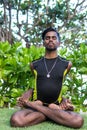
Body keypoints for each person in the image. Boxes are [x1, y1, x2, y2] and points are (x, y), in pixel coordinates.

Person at [10, 27, 84, 128]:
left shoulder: (67, 64)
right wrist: (30, 92)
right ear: (44, 42)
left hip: (55, 105)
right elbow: (39, 83)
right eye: (47, 38)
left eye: (54, 38)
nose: (50, 40)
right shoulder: (34, 65)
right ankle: (53, 115)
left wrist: (63, 99)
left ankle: (37, 109)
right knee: (16, 120)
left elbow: (57, 83)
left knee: (78, 121)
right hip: (38, 104)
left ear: (59, 42)